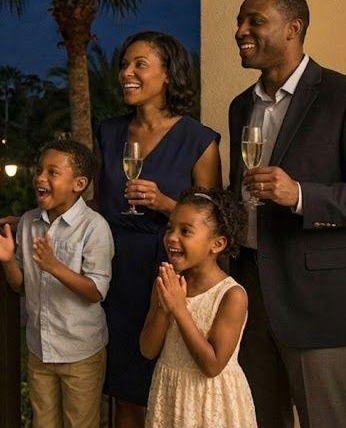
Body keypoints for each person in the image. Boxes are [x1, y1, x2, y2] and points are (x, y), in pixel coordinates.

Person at [229, 0, 346, 428]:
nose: (240, 31)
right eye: (239, 21)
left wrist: (301, 195)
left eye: (255, 21)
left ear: (294, 29)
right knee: (260, 419)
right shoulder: (240, 107)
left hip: (319, 302)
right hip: (250, 292)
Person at [96, 31, 222, 427]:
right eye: (124, 65)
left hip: (169, 276)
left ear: (168, 74)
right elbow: (95, 203)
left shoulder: (199, 140)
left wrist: (166, 204)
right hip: (115, 273)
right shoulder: (109, 132)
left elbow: (212, 217)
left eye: (139, 65)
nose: (126, 73)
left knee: (166, 391)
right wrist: (35, 220)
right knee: (123, 392)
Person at [0, 139, 114, 427]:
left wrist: (54, 267)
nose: (40, 177)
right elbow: (20, 286)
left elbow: (95, 291)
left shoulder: (94, 227)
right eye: (40, 170)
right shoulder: (28, 222)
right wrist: (6, 258)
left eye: (52, 172)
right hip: (40, 349)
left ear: (79, 183)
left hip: (80, 352)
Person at [140, 188, 256, 428]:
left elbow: (212, 365)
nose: (172, 237)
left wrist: (179, 309)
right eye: (170, 228)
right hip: (170, 394)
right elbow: (148, 349)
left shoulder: (231, 295)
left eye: (186, 231)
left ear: (217, 244)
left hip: (210, 401)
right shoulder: (167, 283)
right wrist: (164, 307)